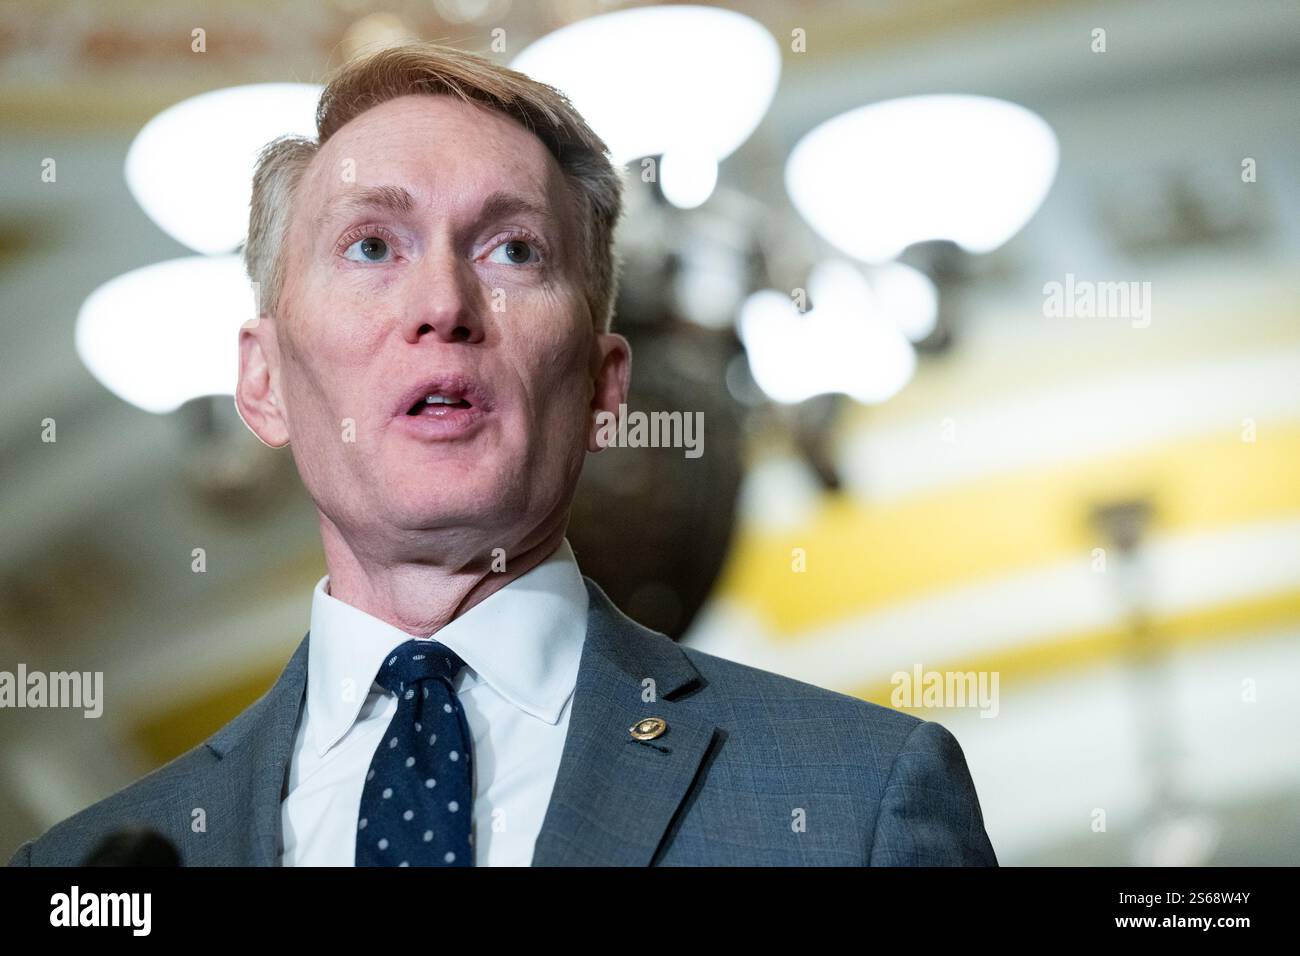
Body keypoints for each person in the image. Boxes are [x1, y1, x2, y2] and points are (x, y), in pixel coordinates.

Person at [9, 42, 996, 867]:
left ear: (607, 385)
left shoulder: (857, 801)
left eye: (512, 249)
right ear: (262, 382)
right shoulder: (80, 867)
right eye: (370, 246)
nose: (443, 304)